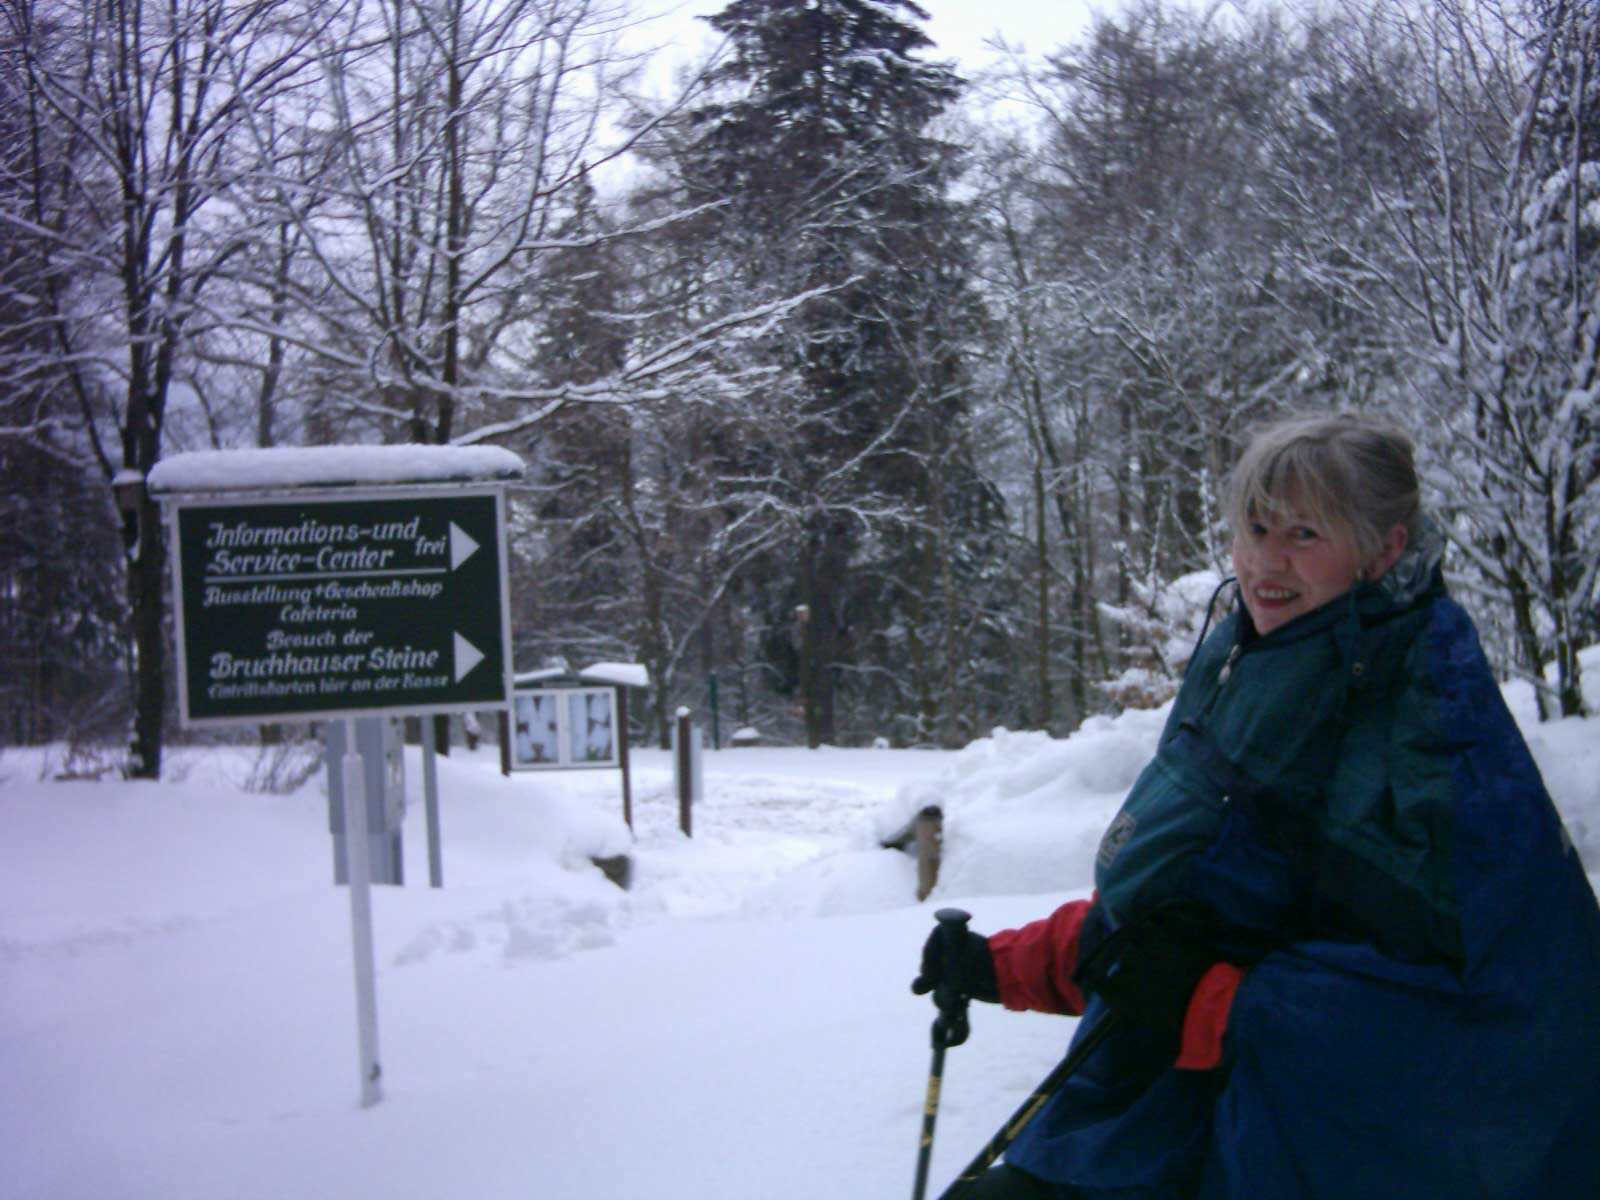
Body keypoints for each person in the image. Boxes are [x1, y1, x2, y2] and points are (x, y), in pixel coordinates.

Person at [912, 414, 1600, 1198]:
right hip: (1159, 1114)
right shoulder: (1255, 658)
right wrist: (1005, 964)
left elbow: (1479, 1005)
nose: (1265, 562)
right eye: (1255, 526)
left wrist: (1215, 1002)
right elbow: (1181, 915)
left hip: (1307, 1150)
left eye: (1305, 534)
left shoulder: (1426, 717)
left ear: (1386, 549)